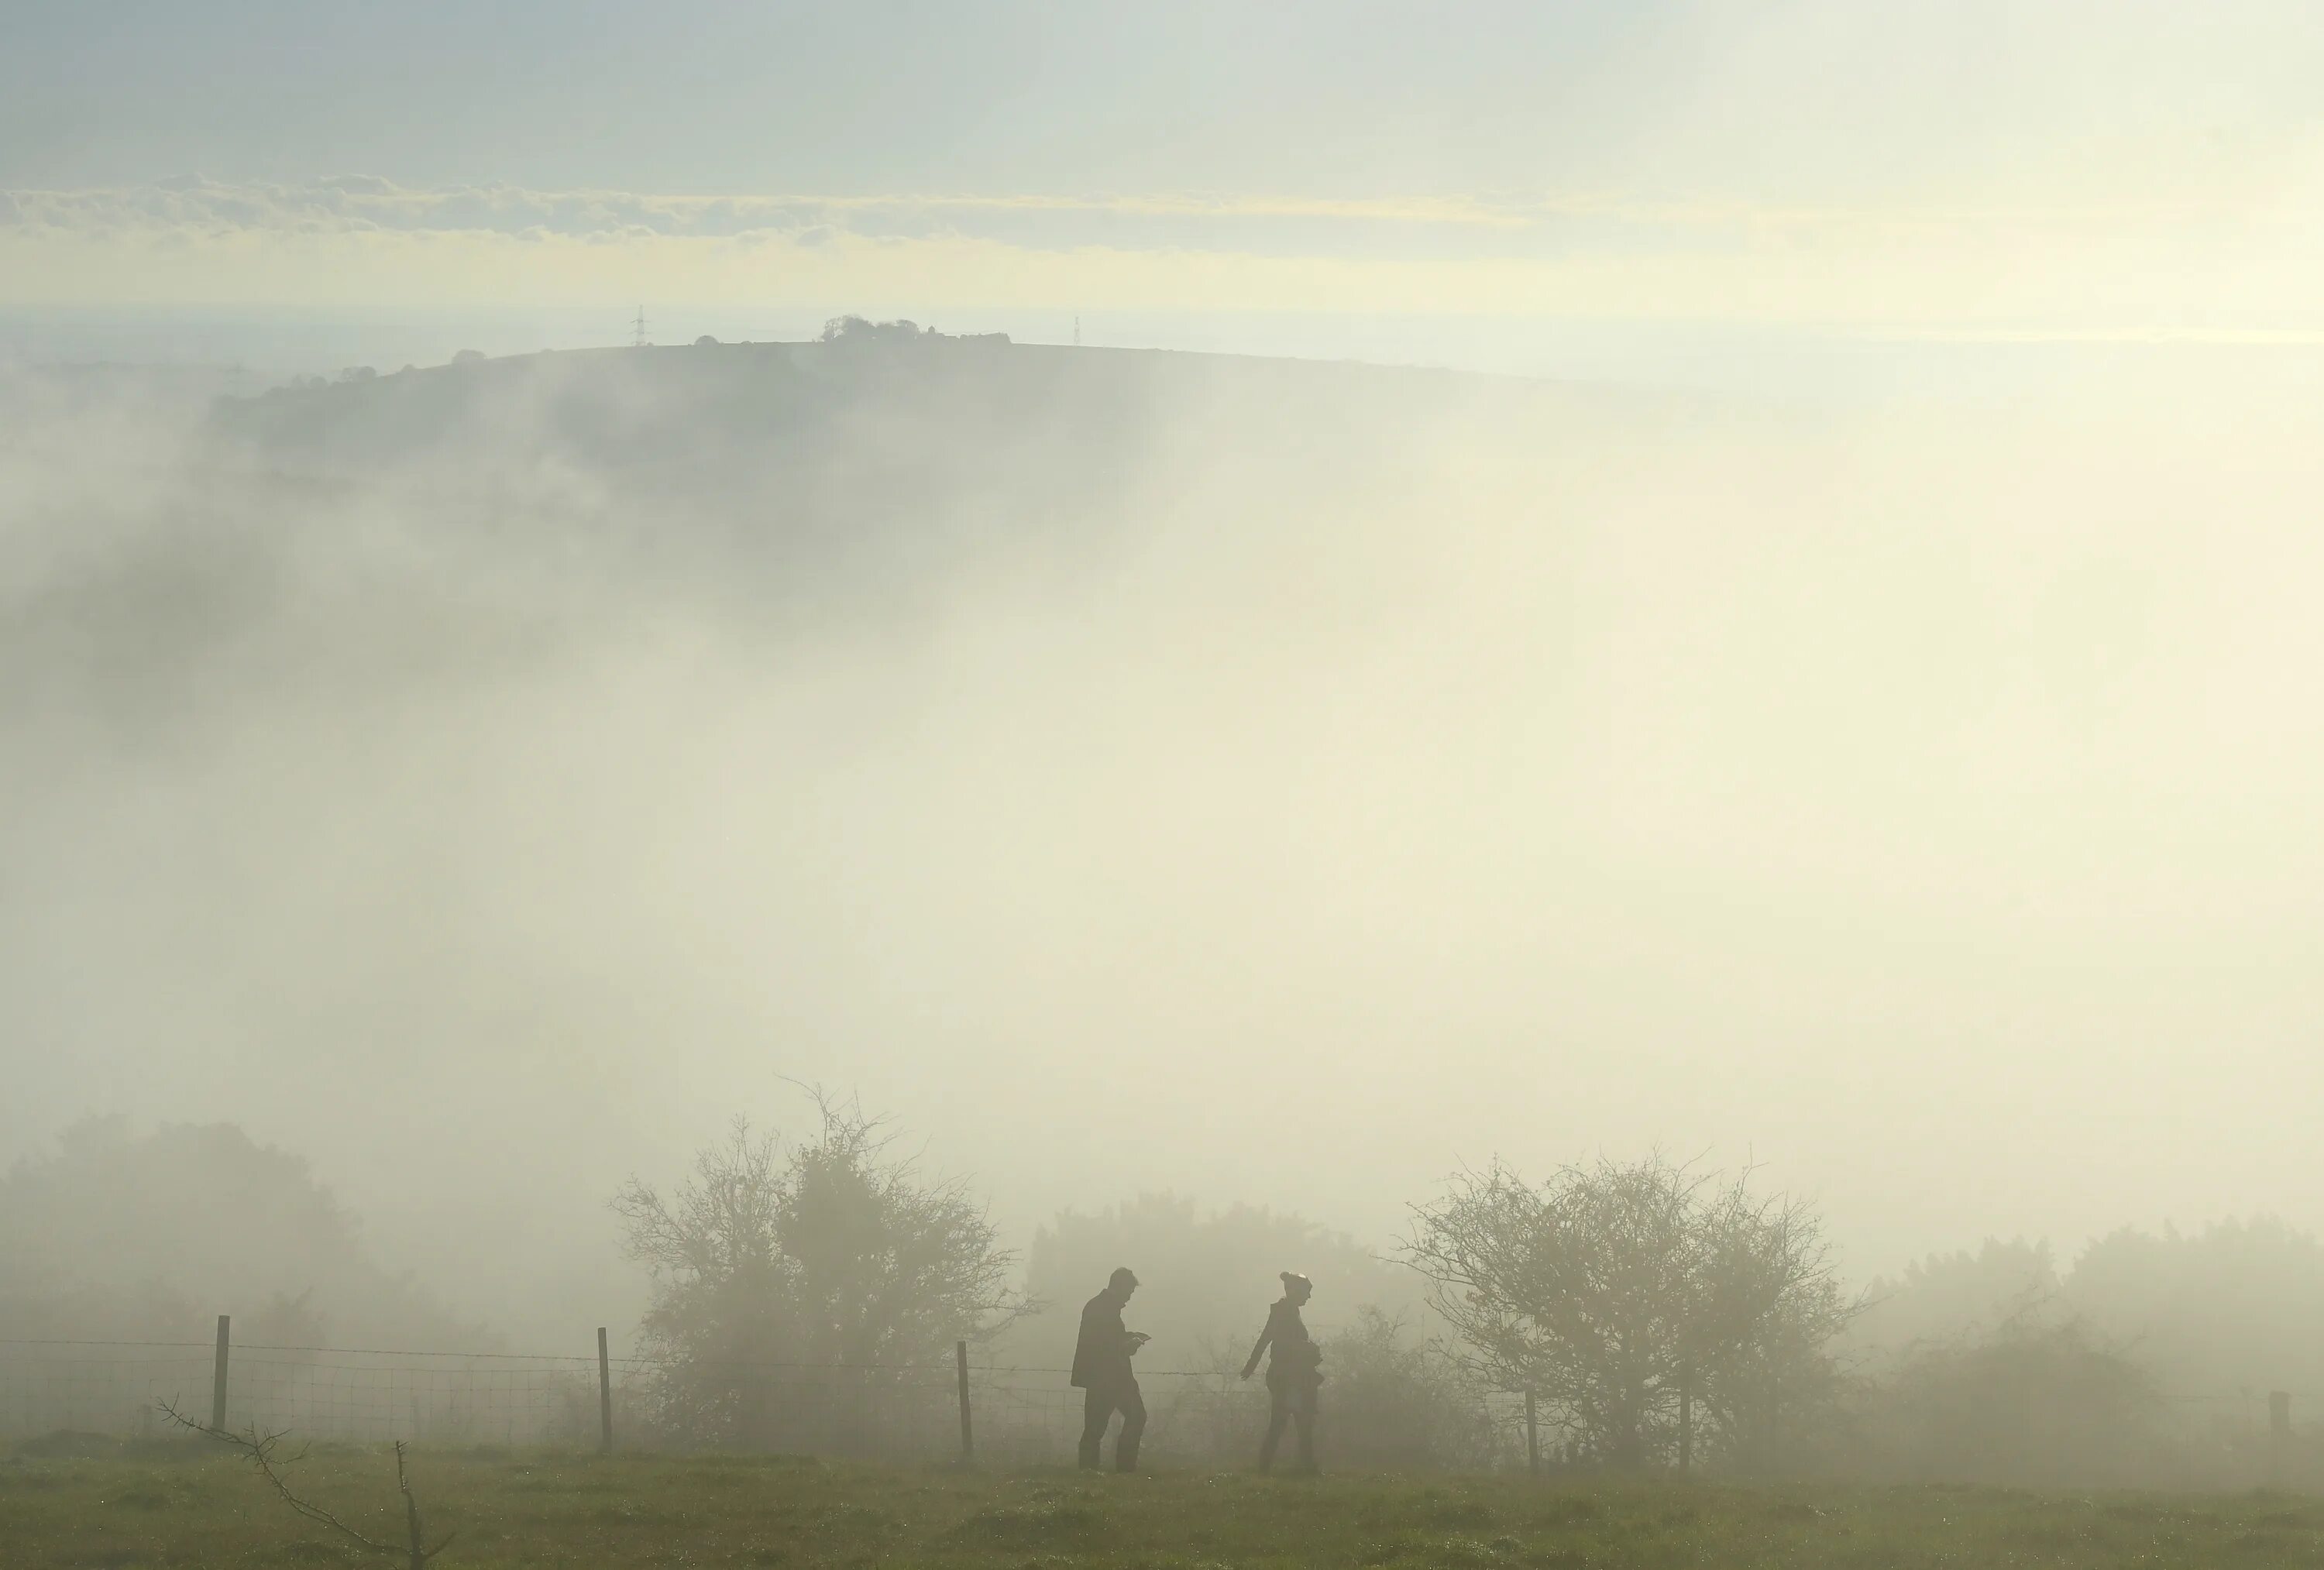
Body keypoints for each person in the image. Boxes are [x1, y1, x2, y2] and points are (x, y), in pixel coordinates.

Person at [1241, 1271, 1322, 1473]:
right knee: (1294, 1422)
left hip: (1291, 1377)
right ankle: (1300, 1468)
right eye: (1306, 1292)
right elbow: (1266, 1339)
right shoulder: (1283, 1312)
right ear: (1295, 1291)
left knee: (1289, 1422)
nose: (1309, 1297)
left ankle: (1273, 1467)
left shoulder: (1288, 1311)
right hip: (1288, 1378)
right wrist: (1251, 1365)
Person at [1071, 1266, 1149, 1472]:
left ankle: (1090, 1473)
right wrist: (1128, 1344)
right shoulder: (1103, 1309)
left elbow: (1105, 1341)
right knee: (1133, 1418)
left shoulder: (1099, 1307)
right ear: (1120, 1287)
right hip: (1109, 1379)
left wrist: (1128, 1339)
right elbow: (1103, 1345)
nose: (1130, 1298)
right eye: (1129, 1292)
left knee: (1095, 1429)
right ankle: (1123, 1469)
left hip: (1104, 1378)